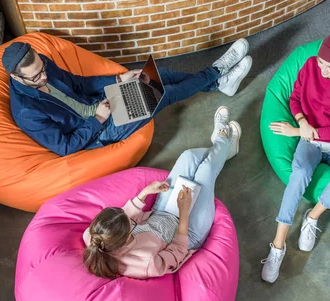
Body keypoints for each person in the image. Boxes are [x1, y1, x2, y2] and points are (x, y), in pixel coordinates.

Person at [1, 38, 252, 156]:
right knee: (164, 92)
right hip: (100, 130)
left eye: (42, 69)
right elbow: (65, 147)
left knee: (157, 74)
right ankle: (216, 72)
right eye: (35, 77)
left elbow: (78, 83)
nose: (43, 76)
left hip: (100, 101)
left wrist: (118, 79)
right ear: (16, 77)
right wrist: (98, 119)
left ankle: (217, 83)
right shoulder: (26, 111)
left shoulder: (40, 63)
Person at [82, 106, 241, 279]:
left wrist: (145, 192)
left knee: (188, 157)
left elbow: (123, 217)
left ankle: (224, 149)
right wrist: (184, 212)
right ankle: (223, 140)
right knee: (206, 170)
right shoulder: (146, 264)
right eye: (130, 224)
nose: (130, 217)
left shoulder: (94, 236)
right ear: (126, 238)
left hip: (160, 213)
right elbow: (178, 251)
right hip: (188, 233)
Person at [261, 32, 330, 283]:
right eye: (321, 62)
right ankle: (278, 245)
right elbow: (295, 97)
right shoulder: (310, 65)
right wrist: (301, 122)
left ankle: (313, 217)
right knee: (299, 173)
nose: (323, 70)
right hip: (310, 139)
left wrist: (296, 131)